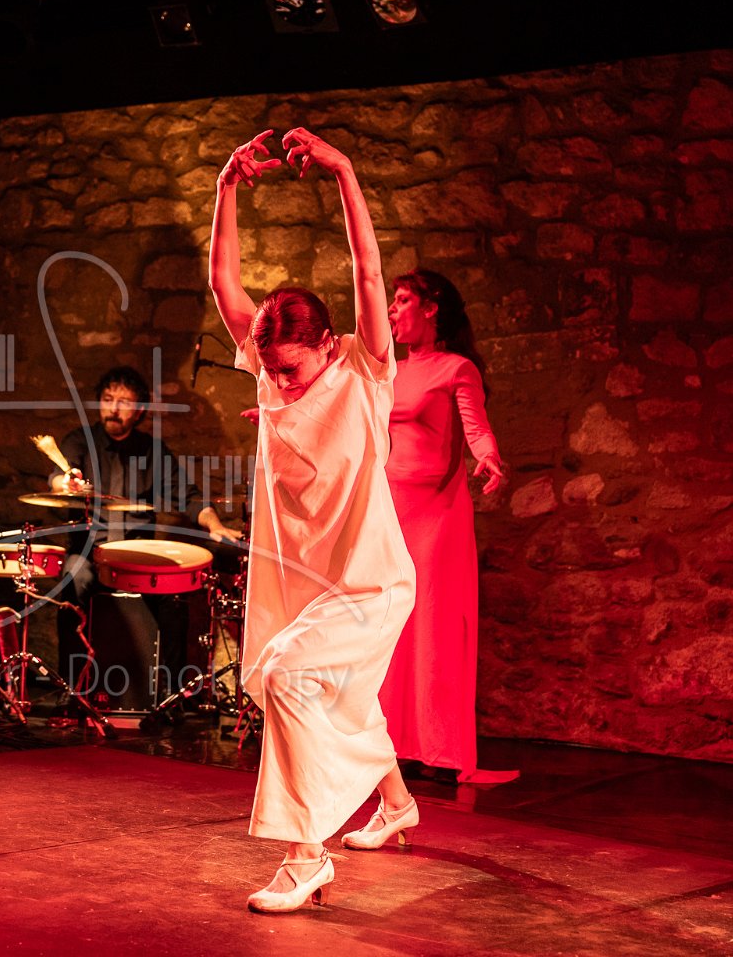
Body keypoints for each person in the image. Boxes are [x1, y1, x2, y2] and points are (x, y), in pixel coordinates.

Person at [208, 127, 418, 914]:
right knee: (320, 697)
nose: (281, 385)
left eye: (291, 370)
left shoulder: (366, 371)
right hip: (300, 581)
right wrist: (226, 188)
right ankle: (396, 803)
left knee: (289, 678)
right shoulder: (269, 373)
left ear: (328, 345)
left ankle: (305, 857)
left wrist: (344, 172)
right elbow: (224, 282)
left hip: (369, 584)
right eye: (270, 371)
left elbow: (367, 270)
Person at [380, 269, 514, 784]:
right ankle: (394, 746)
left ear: (431, 308)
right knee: (393, 627)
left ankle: (441, 751)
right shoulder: (389, 371)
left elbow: (476, 427)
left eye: (402, 300)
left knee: (434, 628)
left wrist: (489, 458)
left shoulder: (457, 368)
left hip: (436, 514)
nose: (392, 310)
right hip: (392, 509)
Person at [46, 366, 242, 691]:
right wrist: (65, 483)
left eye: (124, 402)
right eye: (108, 399)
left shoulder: (153, 451)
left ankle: (172, 693)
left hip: (136, 556)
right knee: (73, 579)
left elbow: (189, 497)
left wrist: (215, 524)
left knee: (174, 598)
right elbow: (58, 477)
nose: (114, 408)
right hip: (89, 551)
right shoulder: (80, 440)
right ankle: (72, 689)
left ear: (139, 410)